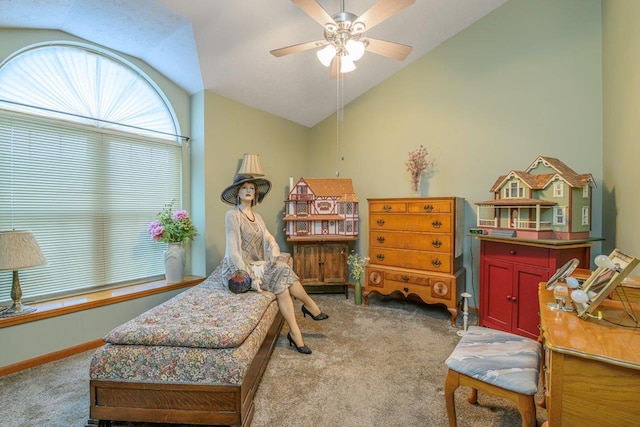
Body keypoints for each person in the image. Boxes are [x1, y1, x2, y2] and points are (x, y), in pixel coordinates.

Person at [214, 174, 329, 354]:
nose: (248, 191)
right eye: (244, 188)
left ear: (256, 192)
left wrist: (274, 245)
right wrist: (251, 278)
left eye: (251, 188)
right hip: (238, 271)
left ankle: (295, 331)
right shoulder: (232, 215)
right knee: (281, 272)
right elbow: (234, 253)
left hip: (257, 265)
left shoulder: (257, 217)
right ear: (237, 192)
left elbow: (268, 236)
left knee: (281, 280)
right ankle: (309, 308)